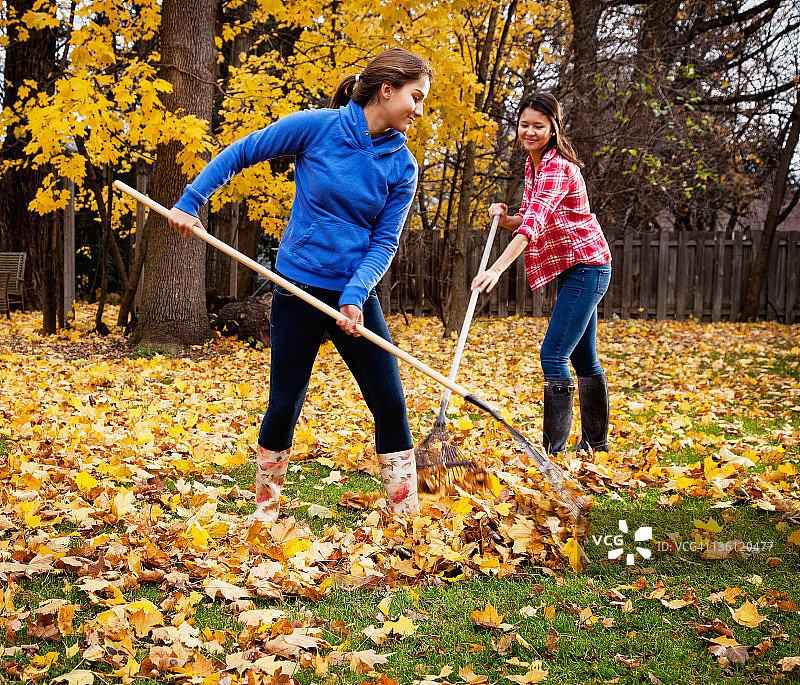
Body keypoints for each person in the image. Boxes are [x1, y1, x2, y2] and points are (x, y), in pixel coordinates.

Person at [168, 48, 433, 521]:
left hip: (354, 296)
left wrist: (355, 297)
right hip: (297, 289)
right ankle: (265, 510)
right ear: (387, 88)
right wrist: (192, 200)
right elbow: (246, 150)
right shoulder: (319, 126)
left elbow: (384, 242)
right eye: (415, 97)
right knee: (284, 403)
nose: (418, 110)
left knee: (391, 402)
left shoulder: (403, 166)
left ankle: (405, 514)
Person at [471, 92, 612, 455]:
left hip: (588, 266)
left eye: (538, 126)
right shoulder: (532, 166)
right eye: (524, 125)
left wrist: (497, 269)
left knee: (553, 355)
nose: (529, 132)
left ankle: (554, 452)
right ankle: (596, 445)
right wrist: (504, 219)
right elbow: (528, 218)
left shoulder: (559, 168)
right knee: (583, 359)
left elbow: (533, 224)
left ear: (552, 129)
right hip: (572, 267)